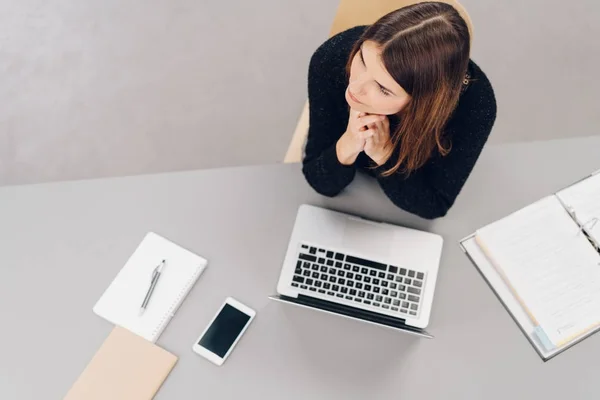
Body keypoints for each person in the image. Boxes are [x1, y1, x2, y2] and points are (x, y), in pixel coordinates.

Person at [302, 2, 497, 219]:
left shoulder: (475, 106)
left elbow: (434, 204)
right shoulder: (332, 59)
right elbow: (319, 179)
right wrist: (349, 143)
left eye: (383, 89)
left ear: (422, 102)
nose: (355, 87)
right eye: (363, 60)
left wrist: (384, 154)